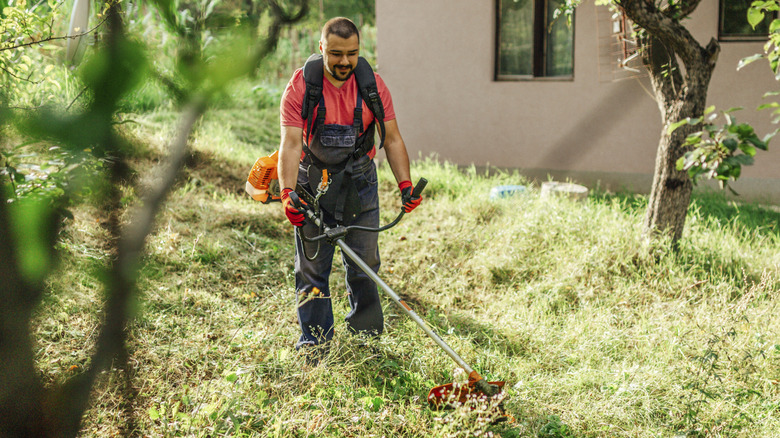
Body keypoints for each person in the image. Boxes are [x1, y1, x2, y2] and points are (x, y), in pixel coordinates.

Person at [277, 17, 421, 354]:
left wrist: (405, 185)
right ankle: (315, 344)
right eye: (336, 54)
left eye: (352, 54)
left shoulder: (372, 86)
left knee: (365, 264)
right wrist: (287, 193)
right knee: (312, 268)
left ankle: (366, 338)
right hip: (313, 184)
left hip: (360, 183)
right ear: (321, 48)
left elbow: (393, 138)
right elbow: (291, 145)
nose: (345, 62)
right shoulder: (302, 86)